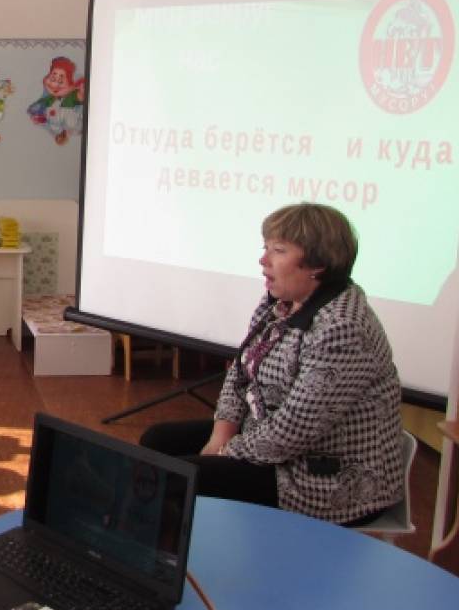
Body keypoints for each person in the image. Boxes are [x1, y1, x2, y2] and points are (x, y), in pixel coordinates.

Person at [140, 202, 405, 524]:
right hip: (272, 444)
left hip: (324, 476)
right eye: (265, 248)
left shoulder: (343, 328)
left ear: (317, 264)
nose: (263, 260)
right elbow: (240, 373)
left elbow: (293, 432)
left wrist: (225, 453)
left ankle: (176, 564)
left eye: (278, 251)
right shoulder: (279, 303)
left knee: (179, 480)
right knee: (157, 441)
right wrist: (221, 432)